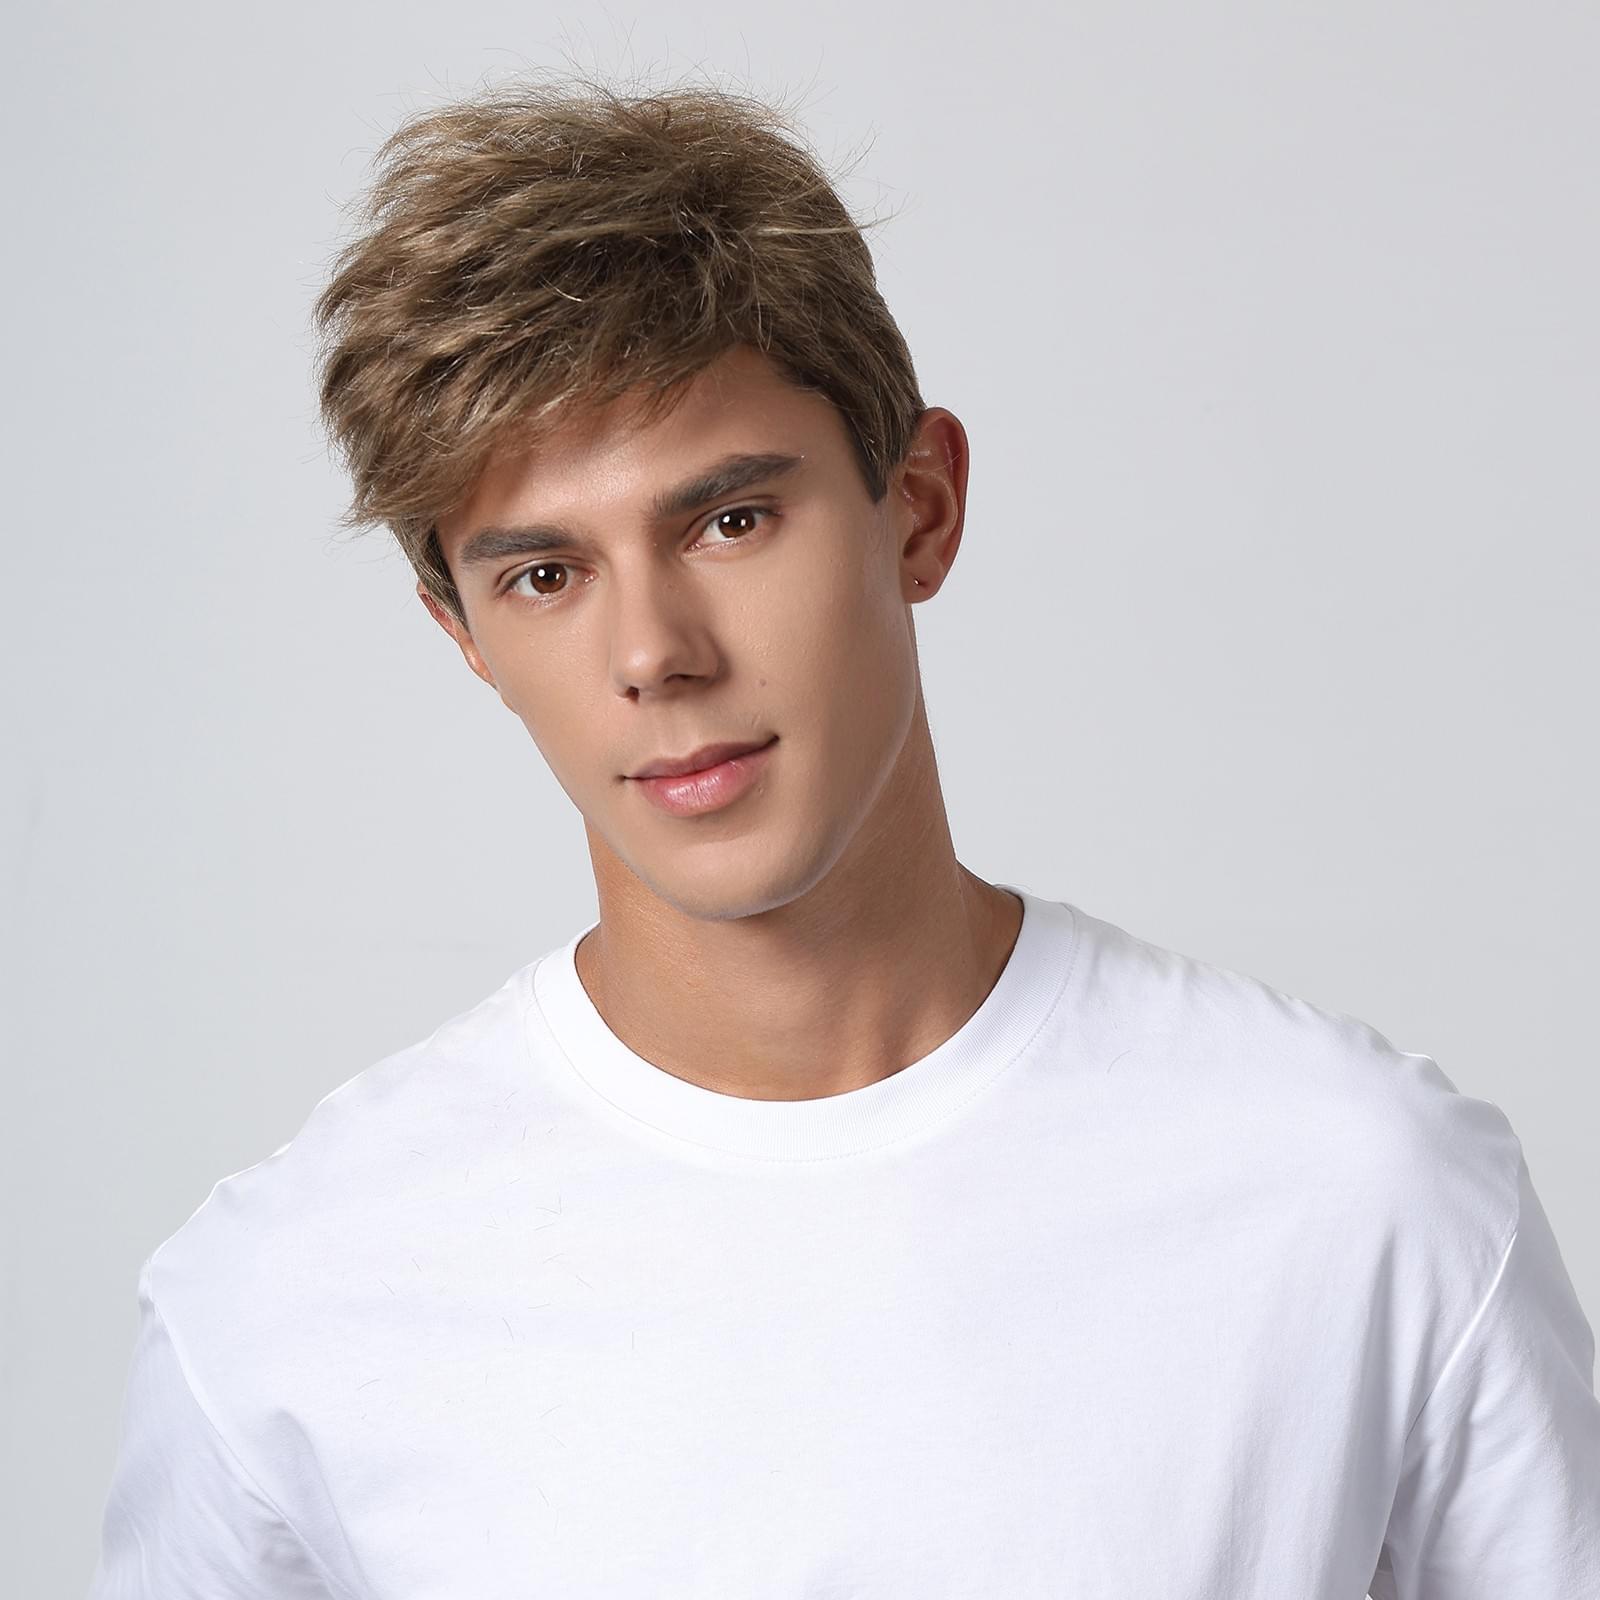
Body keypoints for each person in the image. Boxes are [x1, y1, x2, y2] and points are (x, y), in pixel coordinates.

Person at [87, 71, 1600, 1599]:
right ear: (465, 635)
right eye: (545, 575)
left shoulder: (1363, 1202)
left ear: (919, 508)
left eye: (729, 521)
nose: (654, 653)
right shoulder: (285, 1305)